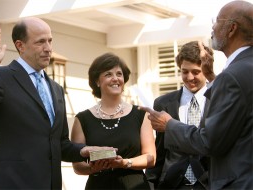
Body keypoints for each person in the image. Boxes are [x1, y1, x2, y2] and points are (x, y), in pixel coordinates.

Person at [0, 17, 115, 189]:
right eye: (40, 42)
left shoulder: (56, 89)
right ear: (20, 45)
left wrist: (82, 151)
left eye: (50, 41)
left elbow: (59, 143)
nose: (48, 48)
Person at [140, 1, 253, 189]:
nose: (213, 27)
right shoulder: (240, 71)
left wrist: (169, 125)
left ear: (232, 28)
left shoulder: (233, 75)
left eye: (217, 21)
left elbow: (209, 141)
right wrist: (212, 77)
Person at [70, 52, 156, 189]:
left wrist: (125, 163)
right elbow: (77, 166)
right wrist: (94, 168)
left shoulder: (140, 114)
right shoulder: (82, 119)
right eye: (108, 74)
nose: (115, 78)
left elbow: (151, 157)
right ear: (97, 81)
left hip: (135, 186)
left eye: (119, 74)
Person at [145, 41, 213, 190]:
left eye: (196, 72)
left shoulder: (217, 100)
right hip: (173, 184)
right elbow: (160, 150)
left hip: (210, 183)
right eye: (184, 71)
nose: (189, 77)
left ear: (206, 70)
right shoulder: (163, 103)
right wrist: (150, 184)